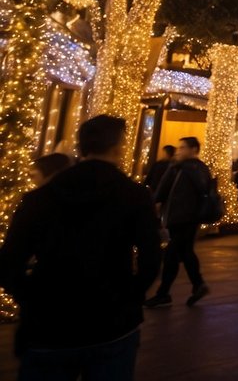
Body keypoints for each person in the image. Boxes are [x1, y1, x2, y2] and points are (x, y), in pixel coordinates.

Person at [0, 116, 162, 380]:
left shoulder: (41, 197)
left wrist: (31, 299)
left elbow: (9, 261)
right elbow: (151, 257)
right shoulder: (133, 195)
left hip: (48, 323)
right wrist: (130, 296)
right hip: (112, 321)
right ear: (119, 147)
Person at [145, 136, 212, 308]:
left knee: (172, 254)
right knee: (184, 252)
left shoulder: (179, 168)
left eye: (183, 147)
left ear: (193, 150)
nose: (179, 150)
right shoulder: (201, 169)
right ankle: (197, 285)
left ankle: (165, 293)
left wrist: (153, 202)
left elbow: (162, 190)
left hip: (180, 218)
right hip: (190, 218)